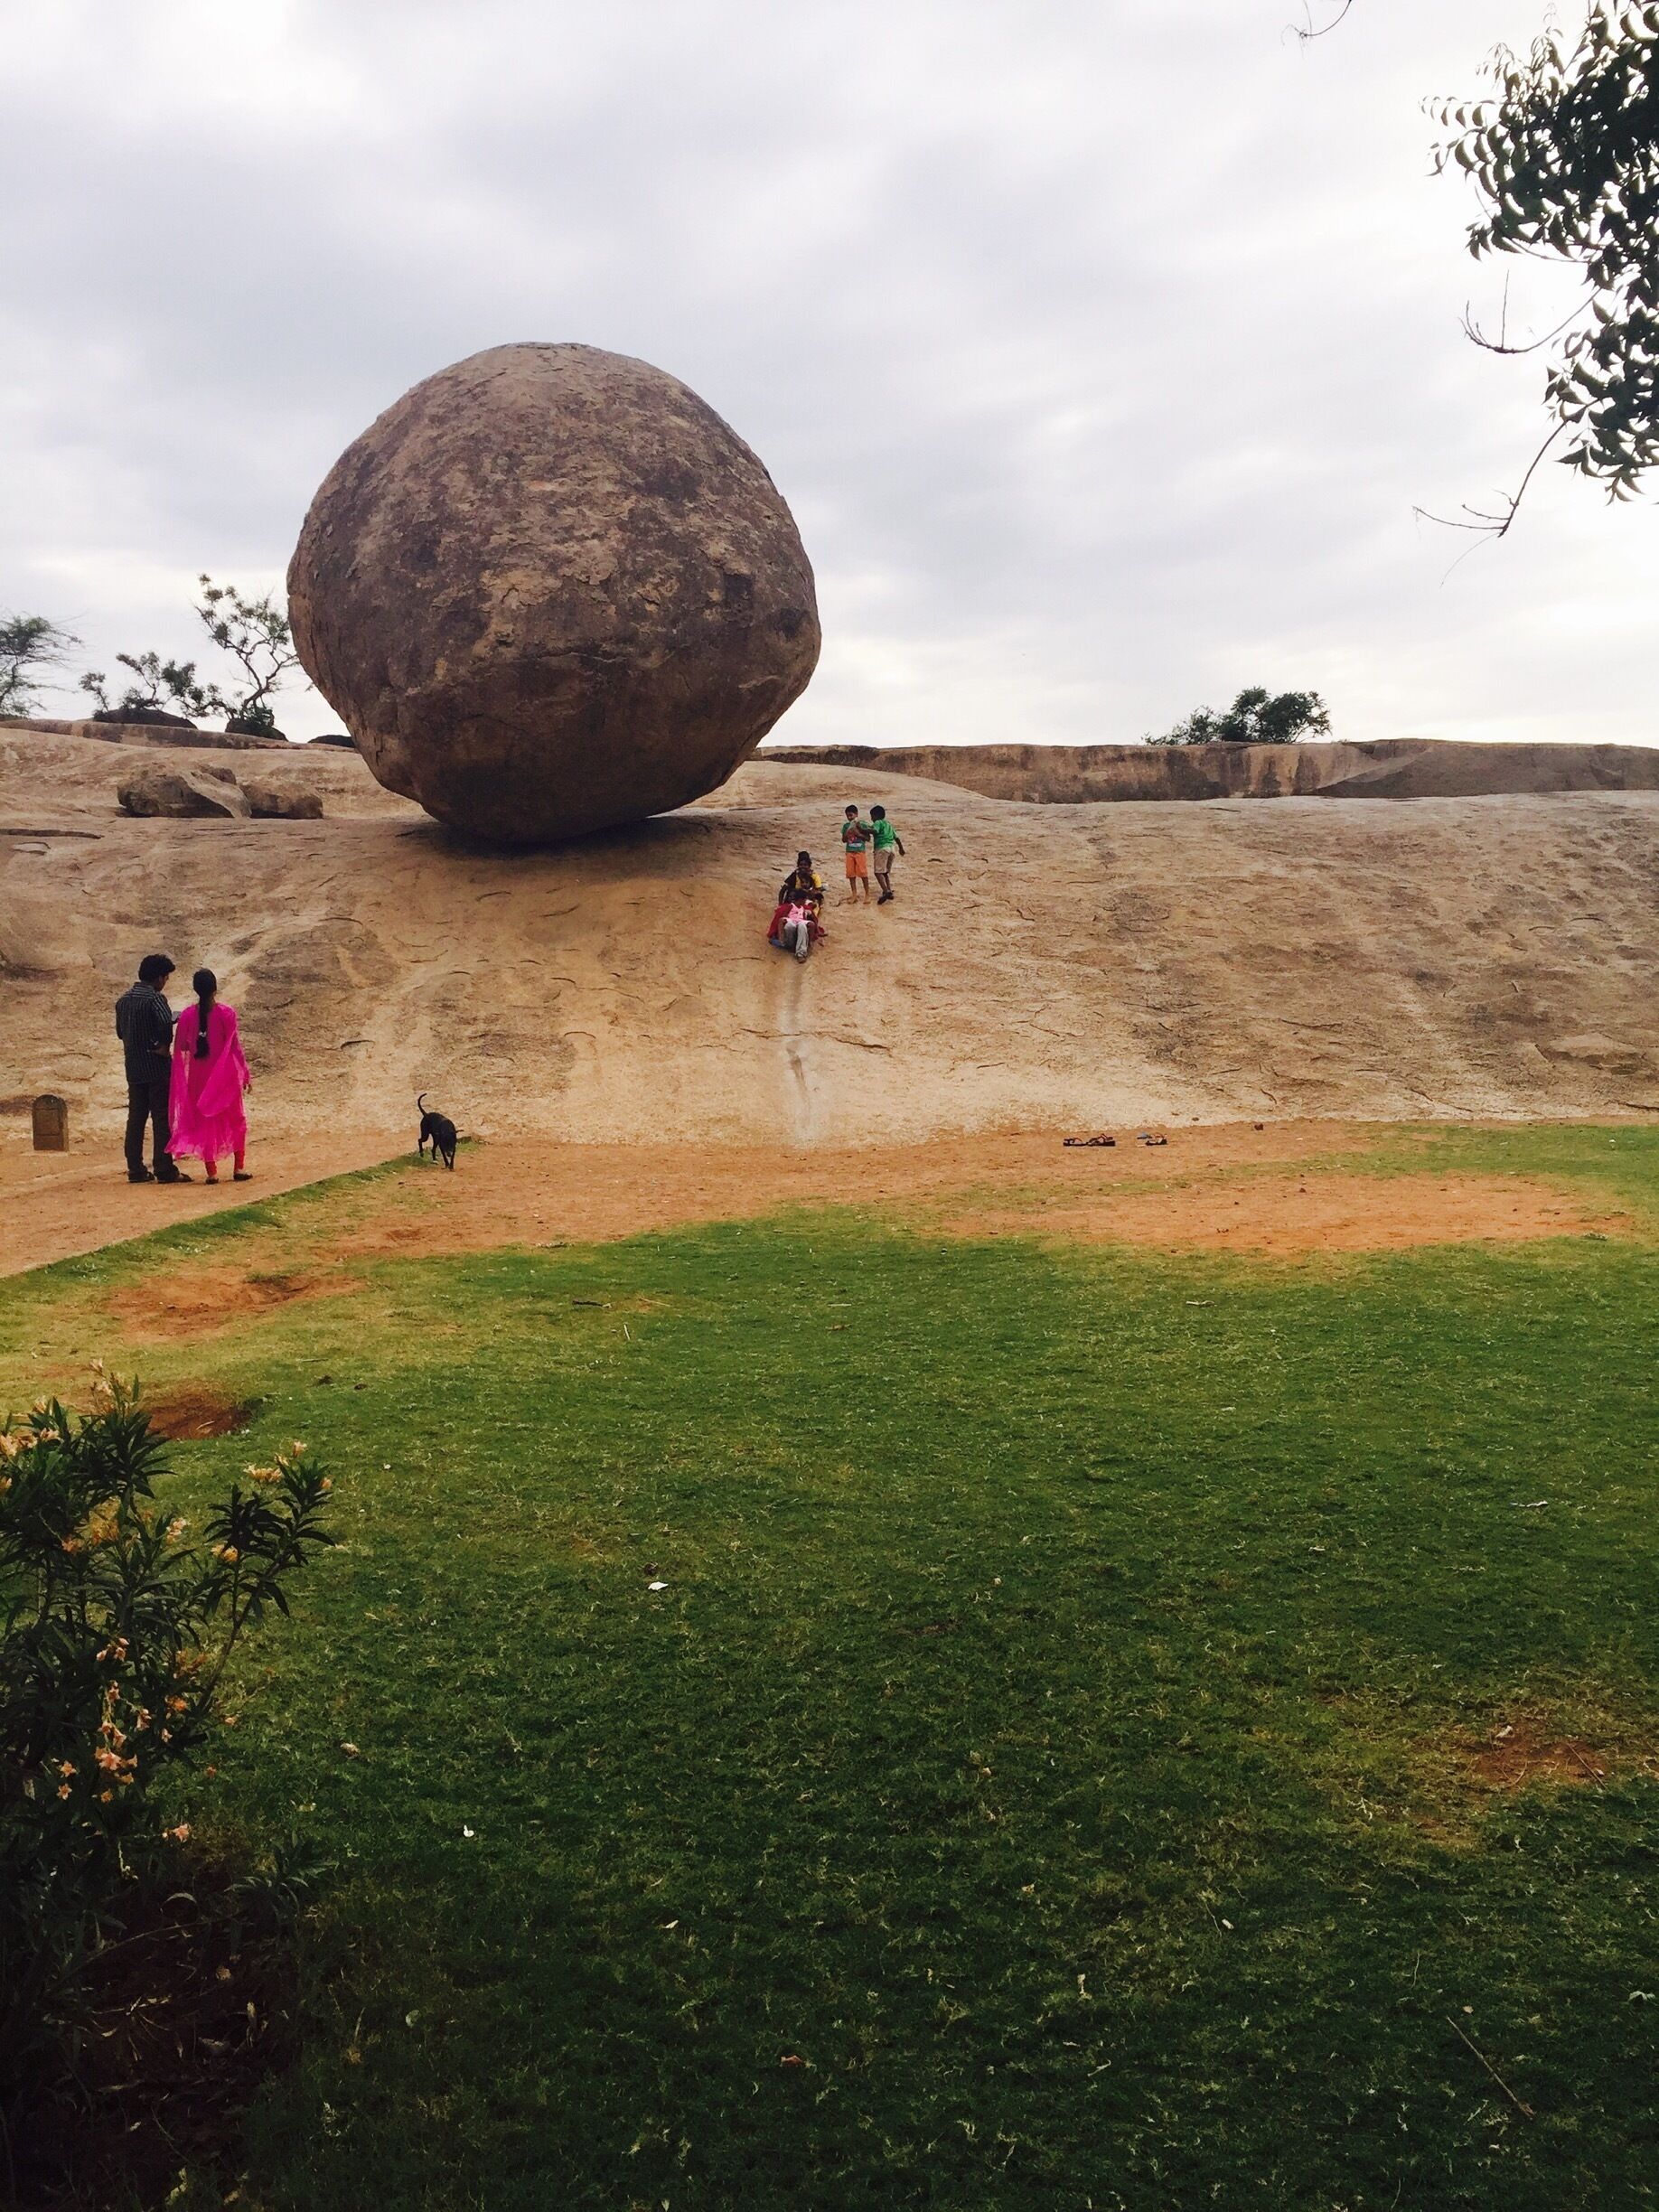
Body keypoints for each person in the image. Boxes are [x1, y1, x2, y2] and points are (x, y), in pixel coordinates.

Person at [167, 969, 252, 1185]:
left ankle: (212, 1172)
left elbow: (184, 1047)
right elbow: (234, 1047)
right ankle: (239, 1168)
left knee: (205, 1123)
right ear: (215, 988)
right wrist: (245, 1072)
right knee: (235, 1119)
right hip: (224, 1077)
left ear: (196, 989)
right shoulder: (226, 1013)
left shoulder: (187, 1015)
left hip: (199, 1077)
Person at [116, 952, 191, 1185]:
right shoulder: (156, 999)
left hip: (134, 1065)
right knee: (161, 1117)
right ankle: (164, 1167)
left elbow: (120, 1032)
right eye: (166, 977)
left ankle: (135, 1168)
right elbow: (164, 1025)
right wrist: (164, 1045)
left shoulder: (124, 1000)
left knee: (136, 1117)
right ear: (159, 978)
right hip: (156, 1066)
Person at [769, 852, 826, 959]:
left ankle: (798, 949)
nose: (803, 867)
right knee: (795, 925)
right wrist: (781, 905)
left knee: (802, 924)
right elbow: (783, 890)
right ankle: (797, 948)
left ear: (809, 866)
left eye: (805, 865)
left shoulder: (814, 877)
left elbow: (818, 895)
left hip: (806, 903)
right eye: (801, 864)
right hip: (797, 903)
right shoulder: (794, 875)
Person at [869, 804, 905, 904]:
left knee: (878, 872)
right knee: (885, 872)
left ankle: (886, 891)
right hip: (891, 849)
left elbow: (875, 831)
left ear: (875, 816)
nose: (871, 819)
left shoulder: (878, 822)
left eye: (872, 816)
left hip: (882, 848)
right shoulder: (889, 824)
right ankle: (889, 889)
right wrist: (901, 848)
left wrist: (865, 830)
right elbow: (896, 838)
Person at [840, 803, 873, 904]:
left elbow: (868, 838)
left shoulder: (862, 824)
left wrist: (858, 833)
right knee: (851, 874)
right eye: (848, 816)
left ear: (856, 814)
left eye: (851, 815)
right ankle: (854, 894)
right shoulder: (846, 826)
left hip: (860, 851)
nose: (849, 818)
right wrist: (848, 832)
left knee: (863, 873)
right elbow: (844, 840)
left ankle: (867, 894)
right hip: (849, 851)